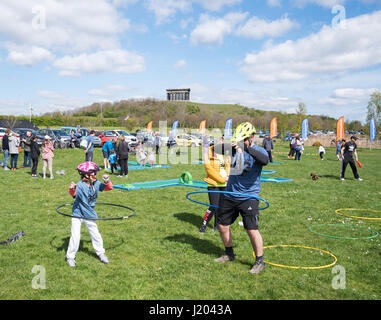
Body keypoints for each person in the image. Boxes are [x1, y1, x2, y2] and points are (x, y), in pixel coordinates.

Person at [213, 122, 269, 275]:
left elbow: (265, 160)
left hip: (249, 196)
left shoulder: (258, 150)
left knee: (251, 229)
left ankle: (259, 261)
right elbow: (215, 149)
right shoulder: (233, 149)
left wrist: (247, 148)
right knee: (223, 225)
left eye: (243, 139)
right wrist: (228, 144)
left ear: (251, 138)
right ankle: (229, 254)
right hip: (230, 194)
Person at [66, 161, 113, 267]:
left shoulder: (96, 184)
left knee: (96, 235)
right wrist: (72, 188)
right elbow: (73, 194)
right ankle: (70, 257)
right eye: (94, 173)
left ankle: (101, 253)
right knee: (75, 236)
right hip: (77, 214)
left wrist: (107, 181)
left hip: (89, 213)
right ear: (86, 175)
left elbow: (108, 188)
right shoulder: (81, 186)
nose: (96, 175)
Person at [199, 141, 231, 234]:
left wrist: (228, 176)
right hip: (213, 183)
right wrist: (221, 179)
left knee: (221, 206)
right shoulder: (208, 152)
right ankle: (204, 224)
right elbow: (209, 169)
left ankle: (216, 225)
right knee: (213, 205)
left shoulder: (226, 152)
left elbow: (228, 166)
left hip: (225, 184)